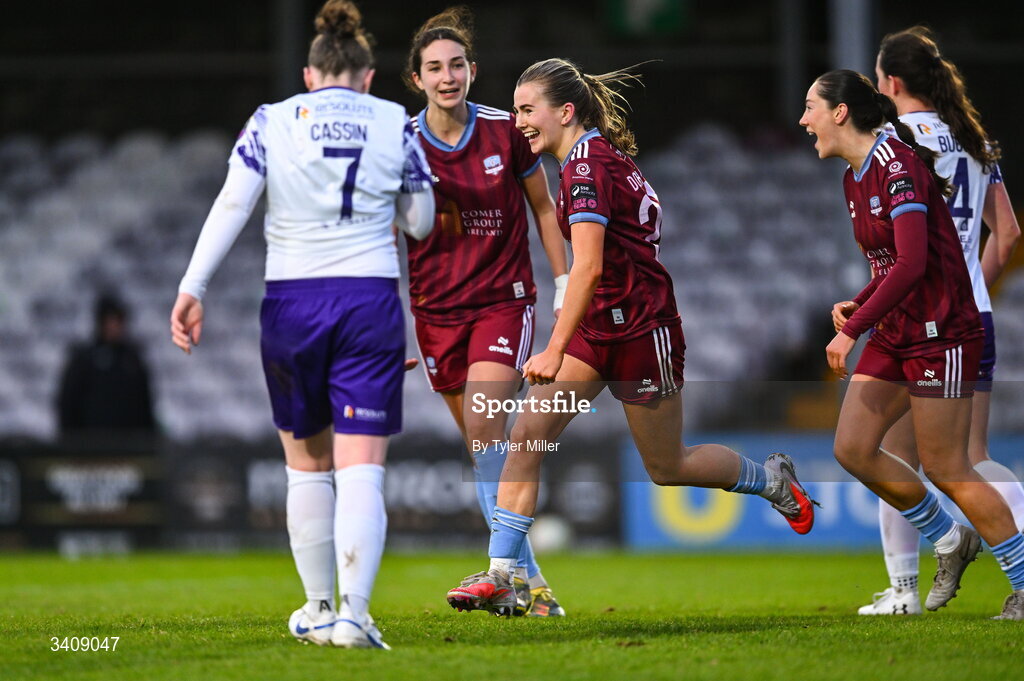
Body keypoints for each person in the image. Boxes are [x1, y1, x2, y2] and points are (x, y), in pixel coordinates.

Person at [445, 58, 817, 616]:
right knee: (527, 435)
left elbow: (589, 267)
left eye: (527, 109)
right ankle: (504, 576)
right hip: (599, 332)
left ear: (564, 111)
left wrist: (550, 347)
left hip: (644, 334)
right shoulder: (589, 158)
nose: (519, 121)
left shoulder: (586, 168)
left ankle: (771, 481)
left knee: (668, 467)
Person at [170, 0, 434, 648]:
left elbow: (233, 202)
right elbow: (422, 221)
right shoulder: (396, 122)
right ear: (368, 77)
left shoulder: (272, 120)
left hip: (290, 301)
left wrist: (191, 287)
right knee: (363, 467)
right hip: (369, 297)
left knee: (306, 466)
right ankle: (355, 615)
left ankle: (317, 609)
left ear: (310, 74)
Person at [801, 69, 1024, 620]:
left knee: (950, 467)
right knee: (852, 449)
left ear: (840, 112)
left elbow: (914, 262)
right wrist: (860, 301)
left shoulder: (896, 165)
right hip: (900, 330)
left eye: (810, 107)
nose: (803, 120)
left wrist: (852, 329)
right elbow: (890, 266)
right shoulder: (855, 177)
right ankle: (950, 540)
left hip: (942, 330)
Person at [402, 8, 570, 616]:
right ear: (416, 79)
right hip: (434, 313)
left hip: (503, 302)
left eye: (456, 66)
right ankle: (532, 587)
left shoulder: (505, 131)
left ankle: (507, 577)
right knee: (484, 450)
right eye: (434, 68)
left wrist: (563, 284)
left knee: (483, 426)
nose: (447, 77)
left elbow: (546, 210)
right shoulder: (399, 145)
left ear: (473, 71)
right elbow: (376, 229)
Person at [57, 293, 157, 438]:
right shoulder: (84, 359)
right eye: (110, 321)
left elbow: (144, 403)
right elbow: (69, 402)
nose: (114, 327)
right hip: (90, 444)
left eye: (118, 321)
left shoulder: (132, 360)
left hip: (128, 444)